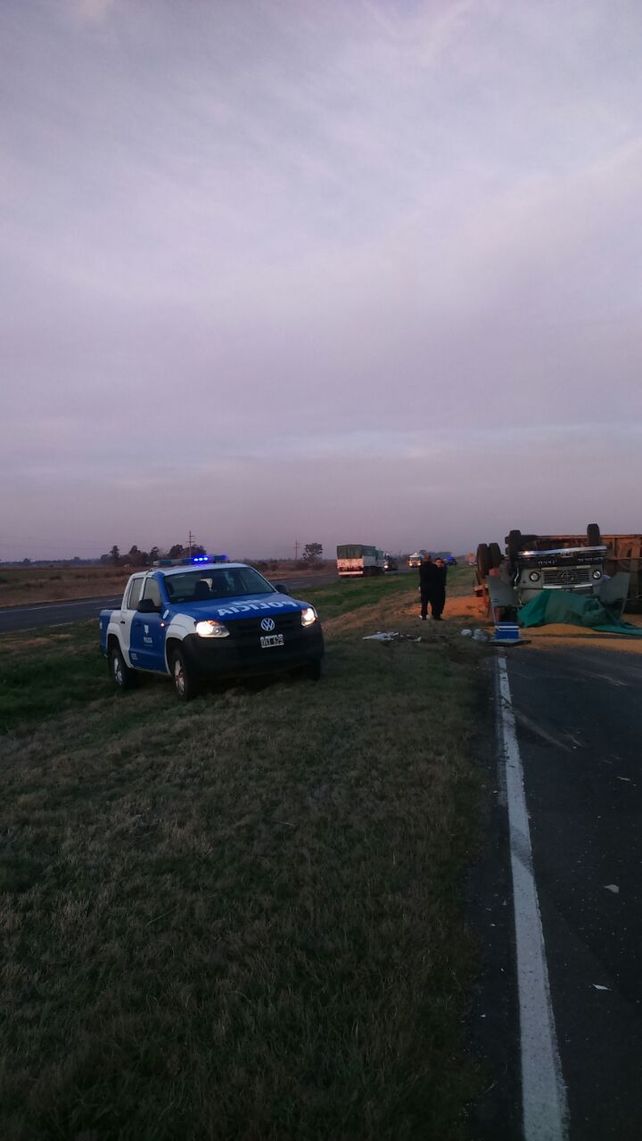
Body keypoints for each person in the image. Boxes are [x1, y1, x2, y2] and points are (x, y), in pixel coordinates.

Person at [418, 552, 443, 620]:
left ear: (424, 559)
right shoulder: (434, 566)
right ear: (430, 559)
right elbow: (437, 576)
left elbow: (422, 577)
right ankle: (436, 615)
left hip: (424, 587)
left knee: (424, 603)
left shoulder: (421, 567)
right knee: (434, 602)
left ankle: (424, 616)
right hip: (433, 587)